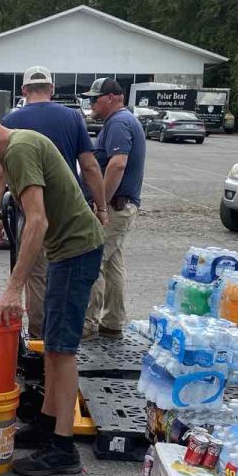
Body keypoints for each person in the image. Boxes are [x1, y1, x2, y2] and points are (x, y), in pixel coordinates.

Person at [0, 108, 104, 476]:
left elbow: (38, 220)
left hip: (77, 250)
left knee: (62, 349)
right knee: (51, 343)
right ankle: (49, 424)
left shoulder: (19, 148)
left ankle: (63, 450)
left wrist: (12, 288)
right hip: (66, 251)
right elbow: (12, 189)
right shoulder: (14, 149)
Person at [0, 66, 106, 339]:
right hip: (69, 210)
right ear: (51, 89)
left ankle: (40, 336)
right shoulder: (72, 117)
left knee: (36, 274)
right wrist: (100, 206)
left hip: (29, 213)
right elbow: (88, 165)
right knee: (75, 271)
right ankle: (80, 327)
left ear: (24, 91)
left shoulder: (11, 120)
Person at [82, 78, 146, 340]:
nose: (91, 104)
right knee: (113, 263)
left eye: (94, 99)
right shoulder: (123, 120)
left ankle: (86, 325)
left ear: (111, 98)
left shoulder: (119, 123)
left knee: (92, 261)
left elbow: (117, 164)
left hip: (115, 206)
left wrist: (101, 205)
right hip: (123, 206)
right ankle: (113, 322)